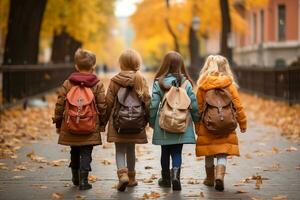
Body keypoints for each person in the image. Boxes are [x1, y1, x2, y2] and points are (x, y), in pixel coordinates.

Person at [53, 48, 106, 190]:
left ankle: (75, 176)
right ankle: (84, 180)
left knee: (74, 150)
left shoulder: (68, 83)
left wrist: (58, 122)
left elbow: (60, 104)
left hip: (71, 124)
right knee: (86, 152)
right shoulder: (97, 84)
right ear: (93, 66)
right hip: (90, 125)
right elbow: (102, 106)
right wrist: (102, 123)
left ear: (76, 66)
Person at [150, 51, 200, 191]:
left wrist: (151, 121)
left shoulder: (159, 83)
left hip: (164, 124)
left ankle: (166, 179)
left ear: (165, 65)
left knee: (164, 152)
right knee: (177, 152)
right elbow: (194, 104)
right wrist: (197, 121)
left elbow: (154, 104)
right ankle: (176, 176)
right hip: (182, 123)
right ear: (181, 65)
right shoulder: (187, 84)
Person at [195, 55, 247, 191]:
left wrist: (197, 126)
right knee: (222, 153)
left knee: (209, 151)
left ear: (207, 67)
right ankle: (220, 176)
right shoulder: (229, 85)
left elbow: (198, 109)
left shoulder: (202, 86)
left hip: (207, 125)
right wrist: (243, 123)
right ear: (225, 68)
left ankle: (209, 179)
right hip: (226, 125)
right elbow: (238, 105)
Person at [105, 49, 150, 192]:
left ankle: (122, 175)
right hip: (136, 123)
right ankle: (131, 178)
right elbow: (148, 102)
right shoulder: (141, 80)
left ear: (121, 64)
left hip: (119, 123)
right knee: (131, 148)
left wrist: (103, 122)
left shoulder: (115, 81)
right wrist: (149, 120)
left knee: (120, 150)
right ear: (137, 63)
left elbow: (108, 103)